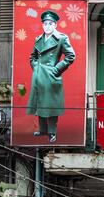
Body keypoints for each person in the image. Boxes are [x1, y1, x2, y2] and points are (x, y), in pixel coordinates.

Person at [26, 10, 76, 143]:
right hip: (38, 75)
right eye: (45, 24)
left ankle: (52, 132)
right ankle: (43, 130)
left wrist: (56, 70)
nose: (47, 26)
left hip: (51, 76)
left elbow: (71, 56)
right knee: (40, 103)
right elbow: (32, 56)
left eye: (50, 23)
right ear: (42, 25)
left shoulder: (61, 38)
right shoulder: (38, 39)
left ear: (55, 25)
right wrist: (36, 66)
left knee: (51, 106)